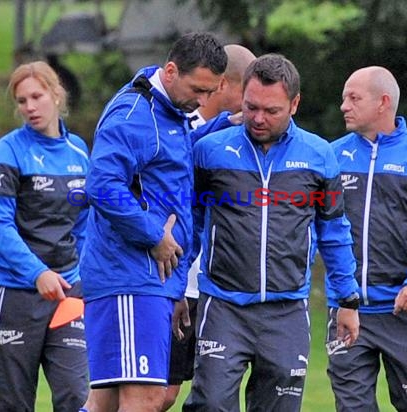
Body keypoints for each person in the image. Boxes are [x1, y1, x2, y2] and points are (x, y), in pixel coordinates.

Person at [182, 53, 360, 412]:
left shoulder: (319, 156)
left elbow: (334, 231)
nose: (258, 118)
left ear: (294, 103)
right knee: (210, 404)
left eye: (271, 110)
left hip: (287, 309)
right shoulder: (210, 151)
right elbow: (190, 224)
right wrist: (174, 289)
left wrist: (347, 300)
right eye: (251, 107)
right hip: (223, 305)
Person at [79, 32, 227, 412]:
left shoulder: (169, 114)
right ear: (172, 71)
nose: (203, 101)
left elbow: (170, 163)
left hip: (147, 282)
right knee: (145, 399)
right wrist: (152, 237)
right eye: (199, 89)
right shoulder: (135, 114)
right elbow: (103, 184)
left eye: (211, 93)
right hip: (129, 278)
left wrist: (226, 124)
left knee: (107, 403)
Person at [326, 66, 407, 411]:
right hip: (347, 312)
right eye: (343, 97)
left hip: (405, 310)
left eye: (353, 98)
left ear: (383, 102)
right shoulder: (331, 156)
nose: (344, 106)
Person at [0, 61, 90, 412]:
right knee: (13, 404)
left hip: (68, 293)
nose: (29, 107)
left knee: (78, 396)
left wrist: (82, 275)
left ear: (56, 94)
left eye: (36, 96)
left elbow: (85, 223)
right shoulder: (7, 152)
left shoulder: (79, 152)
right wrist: (37, 273)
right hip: (15, 295)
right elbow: (2, 230)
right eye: (22, 100)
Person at [162, 44, 257, 412]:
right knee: (160, 392)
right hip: (178, 281)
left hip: (219, 290)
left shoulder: (246, 134)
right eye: (247, 89)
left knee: (211, 393)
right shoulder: (183, 129)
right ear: (226, 85)